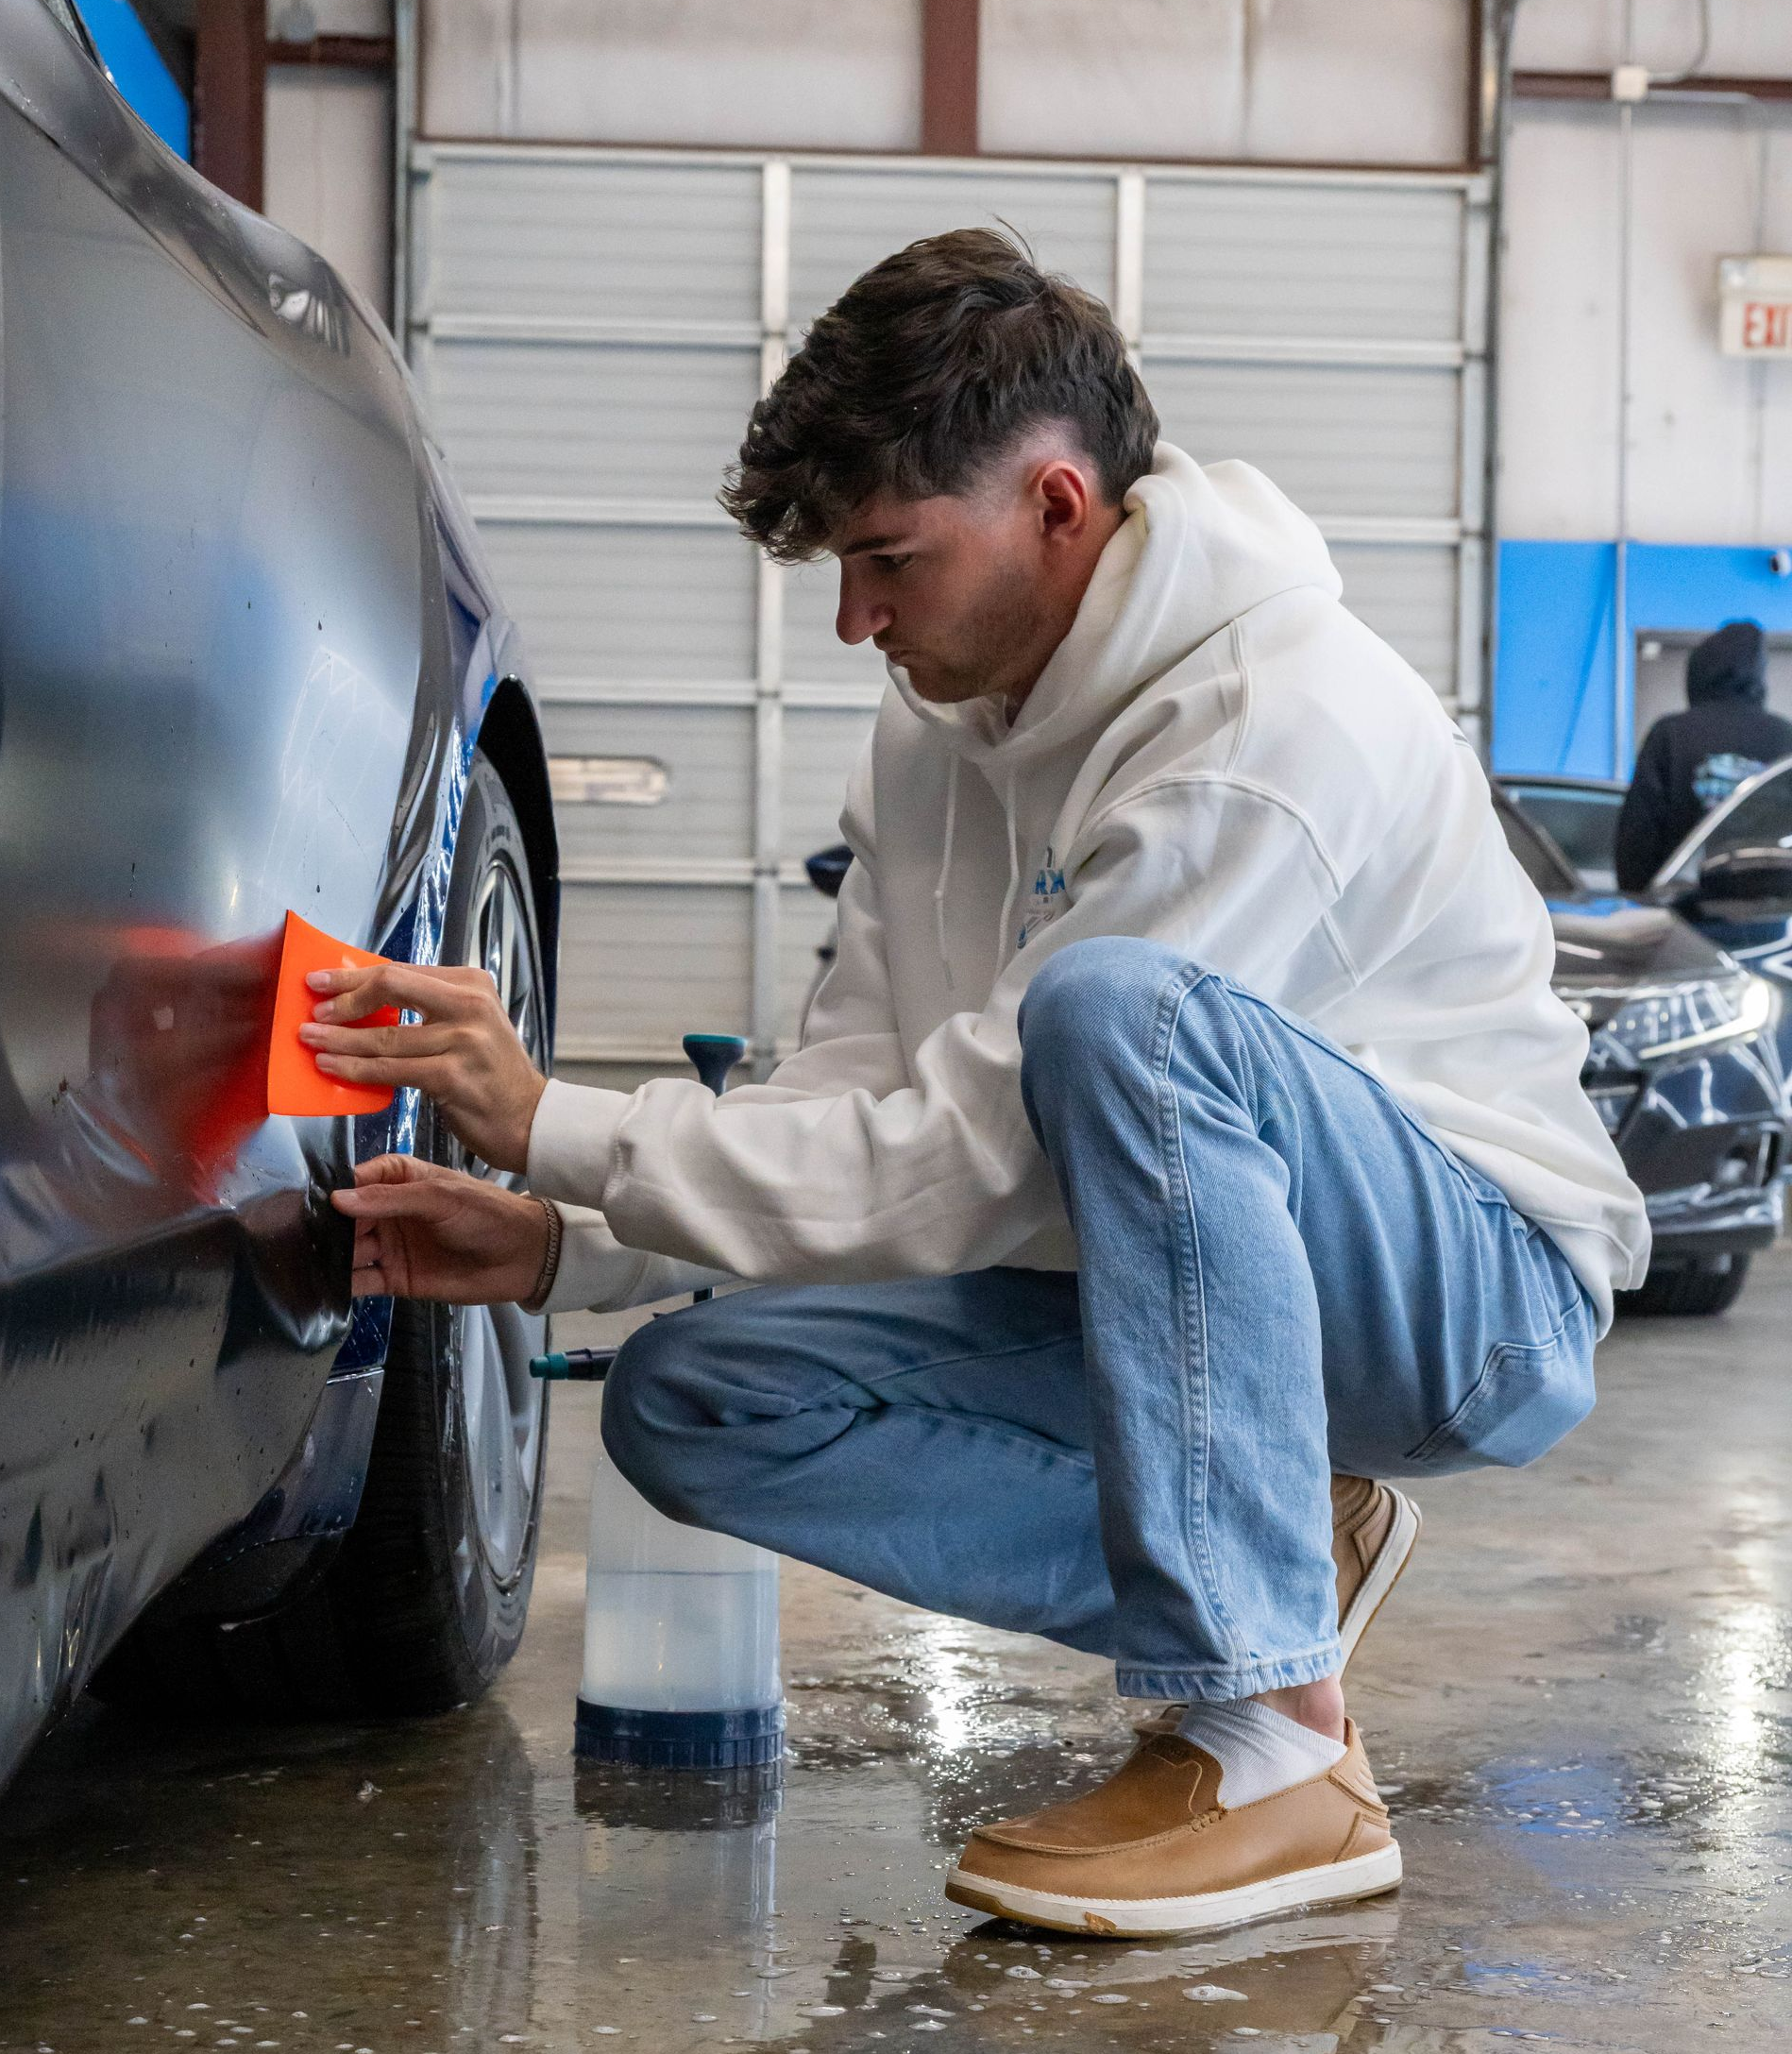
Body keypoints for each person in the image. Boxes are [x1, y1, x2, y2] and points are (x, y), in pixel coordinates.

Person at [301, 230, 1648, 1939]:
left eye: (889, 560)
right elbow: (860, 1086)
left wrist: (555, 1114)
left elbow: (975, 1158)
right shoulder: (940, 728)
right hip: (1177, 1293)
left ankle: (1276, 1746)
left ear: (1059, 507)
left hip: (1471, 1294)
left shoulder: (1271, 724)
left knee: (1121, 1019)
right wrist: (568, 1236)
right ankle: (1286, 1551)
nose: (857, 619)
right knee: (694, 1400)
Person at [1614, 620, 1792, 892]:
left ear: (1697, 673)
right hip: (1774, 910)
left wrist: (1640, 899)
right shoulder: (1785, 737)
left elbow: (1637, 840)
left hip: (1685, 911)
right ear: (1757, 675)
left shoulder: (1671, 735)